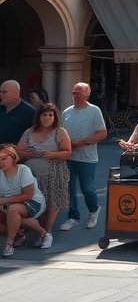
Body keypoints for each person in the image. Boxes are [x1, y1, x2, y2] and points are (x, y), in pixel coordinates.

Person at [15, 103, 71, 247]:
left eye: (50, 115)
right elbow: (18, 151)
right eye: (44, 114)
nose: (47, 117)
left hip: (53, 173)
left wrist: (52, 154)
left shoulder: (60, 132)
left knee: (52, 202)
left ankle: (47, 233)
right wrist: (27, 153)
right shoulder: (29, 132)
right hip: (30, 176)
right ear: (39, 117)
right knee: (30, 203)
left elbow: (67, 152)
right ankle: (24, 232)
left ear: (55, 117)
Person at [59, 82, 106, 232]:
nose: (75, 96)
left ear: (87, 94)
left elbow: (102, 133)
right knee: (69, 189)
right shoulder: (66, 112)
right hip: (68, 156)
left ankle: (93, 210)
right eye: (74, 93)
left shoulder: (94, 111)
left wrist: (83, 143)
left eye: (79, 93)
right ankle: (73, 217)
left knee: (87, 188)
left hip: (86, 158)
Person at [0, 144, 49, 257]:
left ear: (13, 158)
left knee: (13, 210)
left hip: (33, 202)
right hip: (8, 204)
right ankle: (39, 234)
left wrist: (5, 200)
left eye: (4, 158)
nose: (1, 162)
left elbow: (28, 194)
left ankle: (9, 244)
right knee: (12, 211)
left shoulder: (23, 170)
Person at [0, 81, 35, 146]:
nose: (1, 95)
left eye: (4, 92)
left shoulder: (30, 112)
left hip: (16, 154)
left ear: (16, 93)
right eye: (0, 92)